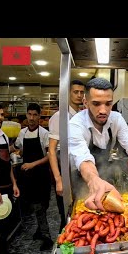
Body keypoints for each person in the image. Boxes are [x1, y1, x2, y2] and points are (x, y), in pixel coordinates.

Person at [69, 77, 128, 211]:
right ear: (85, 102)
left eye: (108, 104)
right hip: (84, 177)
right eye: (96, 104)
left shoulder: (116, 119)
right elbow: (84, 160)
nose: (103, 110)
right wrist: (93, 179)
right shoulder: (76, 125)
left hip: (105, 174)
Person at [14, 103, 53, 251]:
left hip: (41, 176)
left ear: (39, 116)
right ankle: (40, 231)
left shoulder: (44, 133)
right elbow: (17, 147)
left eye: (35, 115)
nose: (31, 118)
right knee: (35, 206)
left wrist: (32, 164)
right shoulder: (22, 132)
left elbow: (50, 156)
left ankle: (47, 237)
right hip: (28, 177)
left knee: (41, 206)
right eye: (29, 114)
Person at [48, 79, 85, 235]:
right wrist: (59, 179)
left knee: (79, 212)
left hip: (80, 171)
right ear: (68, 93)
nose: (79, 95)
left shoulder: (83, 115)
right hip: (66, 172)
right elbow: (51, 150)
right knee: (67, 215)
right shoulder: (60, 116)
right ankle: (64, 247)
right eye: (75, 92)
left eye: (82, 92)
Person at [0, 103, 21, 254]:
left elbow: (8, 165)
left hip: (7, 188)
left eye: (1, 115)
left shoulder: (3, 136)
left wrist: (14, 183)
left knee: (7, 226)